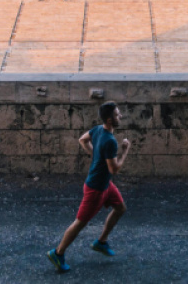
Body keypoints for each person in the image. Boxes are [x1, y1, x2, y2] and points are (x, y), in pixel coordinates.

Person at [47, 101, 131, 272]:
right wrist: (125, 150)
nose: (120, 116)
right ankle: (58, 252)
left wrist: (96, 156)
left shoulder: (98, 130)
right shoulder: (110, 141)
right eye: (117, 115)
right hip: (95, 189)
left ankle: (101, 242)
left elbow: (83, 139)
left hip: (105, 185)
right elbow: (114, 169)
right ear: (109, 119)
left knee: (120, 208)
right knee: (80, 222)